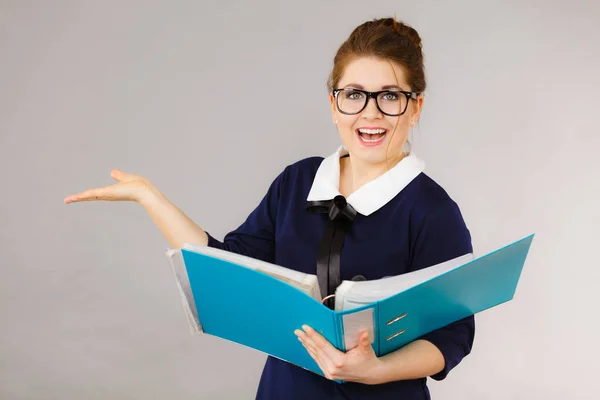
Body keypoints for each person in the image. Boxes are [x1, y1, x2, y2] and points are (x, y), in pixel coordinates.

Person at [64, 16, 474, 400]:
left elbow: (453, 336)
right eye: (354, 95)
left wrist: (374, 370)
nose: (370, 112)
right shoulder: (297, 183)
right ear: (334, 106)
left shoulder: (433, 212)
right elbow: (229, 267)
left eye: (389, 96)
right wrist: (150, 197)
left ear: (415, 107)